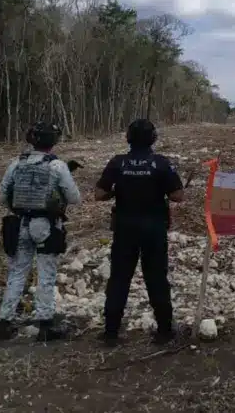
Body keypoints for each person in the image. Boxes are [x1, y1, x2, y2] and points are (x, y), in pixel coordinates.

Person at [95, 119, 184, 347]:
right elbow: (177, 196)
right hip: (154, 230)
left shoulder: (118, 163)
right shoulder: (161, 164)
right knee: (156, 279)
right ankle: (165, 330)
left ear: (128, 138)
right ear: (153, 138)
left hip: (124, 229)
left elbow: (99, 194)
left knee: (119, 279)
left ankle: (111, 332)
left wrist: (116, 193)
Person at [0, 122, 81, 341]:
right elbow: (74, 198)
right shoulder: (57, 166)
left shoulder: (17, 163)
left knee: (17, 272)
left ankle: (5, 321)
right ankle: (45, 323)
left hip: (19, 223)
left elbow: (3, 196)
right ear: (53, 141)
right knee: (46, 273)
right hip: (46, 224)